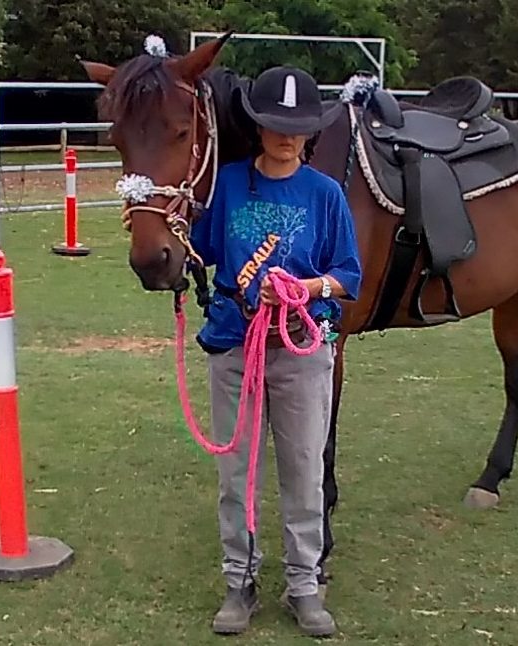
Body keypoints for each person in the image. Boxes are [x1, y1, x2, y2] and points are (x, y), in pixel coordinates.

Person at [189, 65, 362, 637]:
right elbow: (203, 253)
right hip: (235, 345)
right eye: (273, 125)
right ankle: (238, 582)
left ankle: (303, 585)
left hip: (301, 347)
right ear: (257, 127)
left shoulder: (326, 194)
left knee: (303, 469)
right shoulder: (231, 184)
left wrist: (306, 288)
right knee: (235, 475)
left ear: (311, 133)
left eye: (298, 128)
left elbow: (348, 275)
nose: (286, 136)